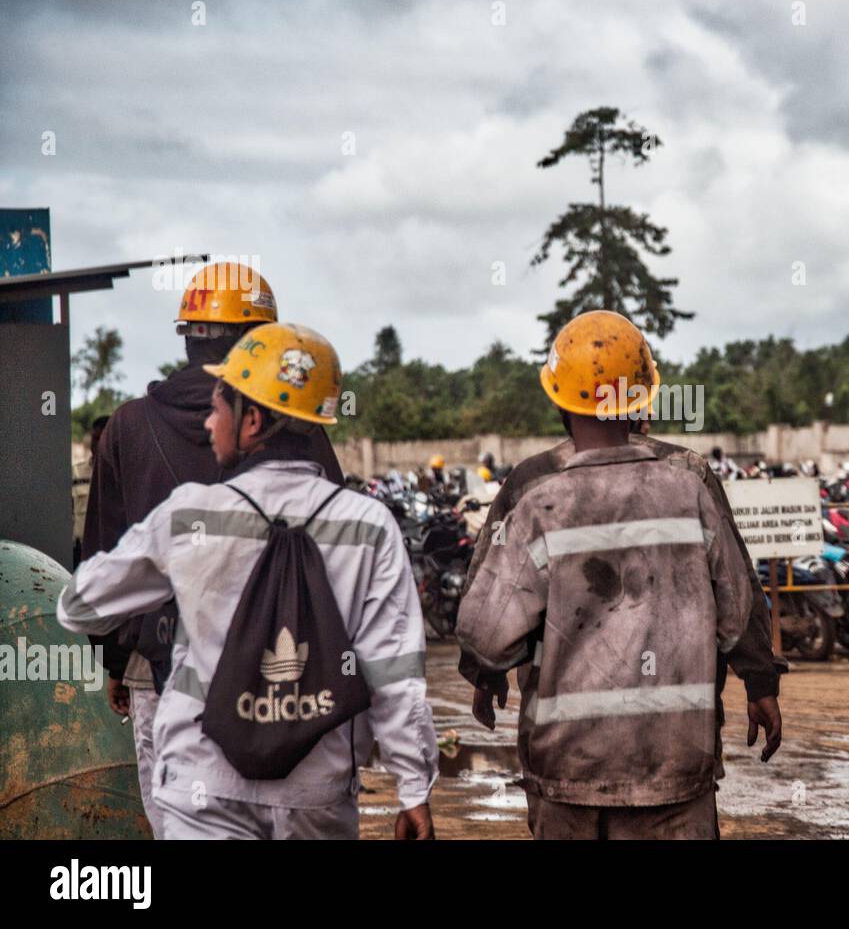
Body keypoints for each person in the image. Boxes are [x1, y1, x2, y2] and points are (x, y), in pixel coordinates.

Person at [59, 323, 436, 840]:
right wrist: (413, 787)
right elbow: (394, 669)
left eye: (218, 409)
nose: (208, 424)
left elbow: (82, 605)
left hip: (202, 789)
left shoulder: (193, 514)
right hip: (317, 794)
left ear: (253, 420)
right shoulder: (369, 526)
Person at [457, 310, 774, 839]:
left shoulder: (536, 492)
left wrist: (483, 672)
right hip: (677, 763)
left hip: (569, 769)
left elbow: (488, 633)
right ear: (641, 400)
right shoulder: (690, 483)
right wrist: (761, 682)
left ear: (559, 399)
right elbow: (738, 607)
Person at [82, 262, 342, 836]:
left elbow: (103, 554)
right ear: (258, 340)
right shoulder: (295, 425)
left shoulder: (126, 426)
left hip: (162, 663)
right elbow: (334, 546)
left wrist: (117, 663)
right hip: (279, 675)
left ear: (187, 334)